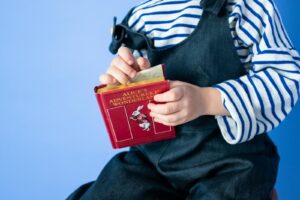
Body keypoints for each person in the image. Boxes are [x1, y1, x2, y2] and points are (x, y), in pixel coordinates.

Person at [67, 0, 300, 199]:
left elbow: (285, 78)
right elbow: (134, 98)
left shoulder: (247, 7)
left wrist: (206, 100)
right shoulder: (141, 17)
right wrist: (124, 78)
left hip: (233, 162)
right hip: (152, 159)